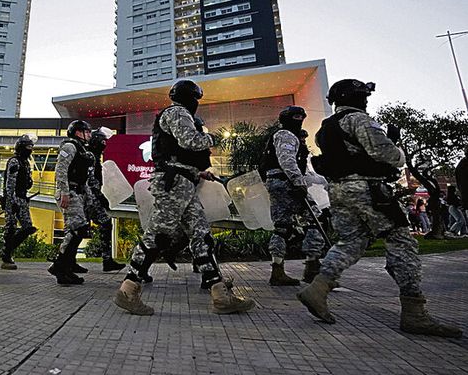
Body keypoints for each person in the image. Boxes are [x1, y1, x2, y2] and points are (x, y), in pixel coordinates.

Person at [299, 79, 461, 338]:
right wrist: (395, 143)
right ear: (357, 98)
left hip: (339, 190)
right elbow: (389, 155)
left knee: (350, 242)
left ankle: (318, 289)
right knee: (401, 243)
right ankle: (414, 313)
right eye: (363, 96)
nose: (366, 101)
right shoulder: (359, 120)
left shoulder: (324, 128)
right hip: (368, 190)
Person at [114, 80, 255, 316]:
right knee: (158, 235)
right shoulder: (177, 112)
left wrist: (198, 171)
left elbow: (178, 153)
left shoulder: (175, 113)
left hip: (183, 182)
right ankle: (128, 289)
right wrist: (214, 138)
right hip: (174, 183)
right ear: (191, 98)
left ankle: (220, 294)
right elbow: (189, 141)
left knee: (201, 235)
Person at [259, 106, 325, 286]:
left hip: (278, 181)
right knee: (315, 218)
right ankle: (312, 265)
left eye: (301, 116)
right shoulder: (286, 135)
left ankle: (277, 269)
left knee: (282, 226)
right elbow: (286, 160)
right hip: (286, 182)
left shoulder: (286, 135)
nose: (299, 120)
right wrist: (298, 182)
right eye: (295, 117)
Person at [48, 120, 95, 285]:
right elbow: (61, 169)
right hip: (70, 192)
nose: (89, 134)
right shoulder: (69, 146)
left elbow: (83, 177)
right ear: (77, 132)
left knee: (78, 230)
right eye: (87, 131)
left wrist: (88, 197)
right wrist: (64, 193)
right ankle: (60, 268)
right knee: (77, 229)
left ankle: (65, 267)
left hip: (78, 192)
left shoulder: (82, 148)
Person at [85, 127, 125, 272]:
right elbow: (90, 179)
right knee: (103, 223)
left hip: (90, 196)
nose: (105, 145)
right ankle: (106, 260)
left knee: (82, 228)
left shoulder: (95, 156)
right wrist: (100, 196)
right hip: (89, 197)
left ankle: (65, 260)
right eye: (103, 142)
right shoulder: (91, 156)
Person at [0, 133, 39, 270]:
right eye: (28, 147)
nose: (30, 149)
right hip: (13, 199)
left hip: (22, 198)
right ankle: (7, 255)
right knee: (11, 228)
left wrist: (29, 182)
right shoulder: (14, 161)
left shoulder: (26, 163)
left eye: (31, 147)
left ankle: (6, 249)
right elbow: (10, 184)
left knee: (28, 228)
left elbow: (26, 181)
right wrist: (11, 201)